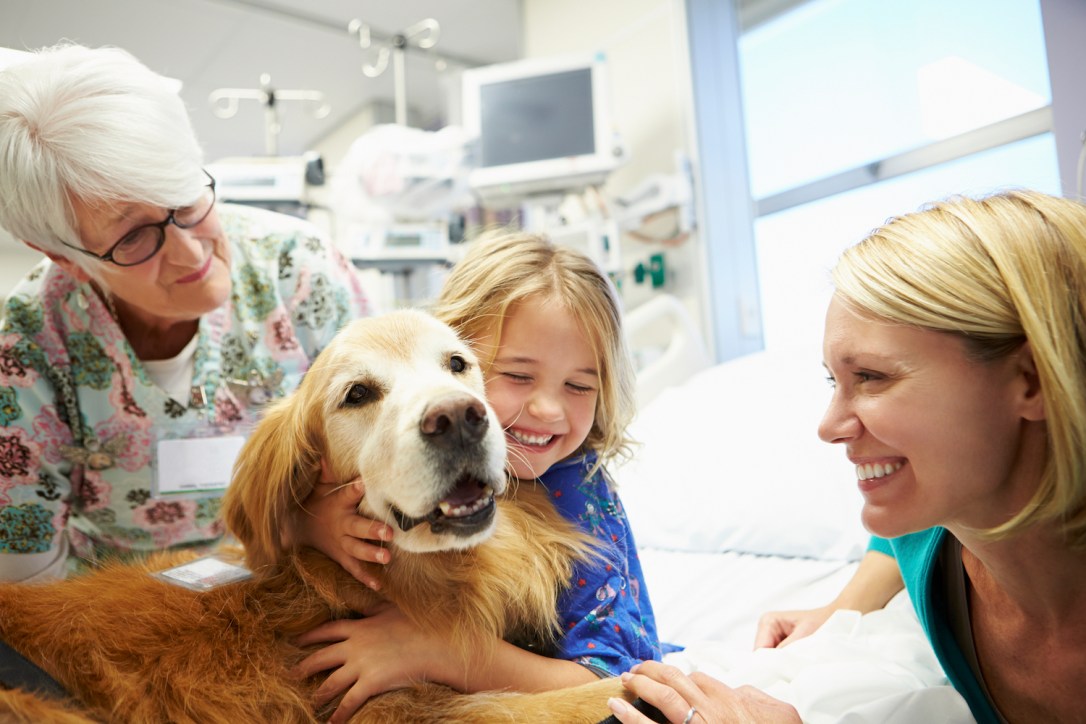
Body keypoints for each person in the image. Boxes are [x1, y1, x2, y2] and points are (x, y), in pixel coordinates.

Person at [606, 190, 1086, 724]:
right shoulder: (932, 526)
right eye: (834, 381)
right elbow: (896, 537)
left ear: (1031, 379)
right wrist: (843, 607)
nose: (829, 427)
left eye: (872, 377)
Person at [0, 42, 388, 583]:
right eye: (133, 237)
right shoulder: (30, 347)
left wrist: (304, 526)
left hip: (305, 579)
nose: (191, 253)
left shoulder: (298, 269)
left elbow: (394, 445)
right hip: (122, 612)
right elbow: (26, 575)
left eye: (184, 201)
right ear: (66, 258)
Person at [290, 231, 665, 723]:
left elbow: (618, 685)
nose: (548, 410)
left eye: (578, 385)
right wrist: (308, 523)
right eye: (516, 376)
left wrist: (438, 649)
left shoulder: (581, 495)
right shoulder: (416, 443)